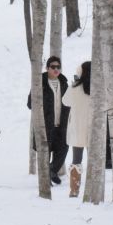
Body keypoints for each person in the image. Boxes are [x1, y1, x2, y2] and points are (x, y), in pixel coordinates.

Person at [27, 56, 69, 185]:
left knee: (64, 147)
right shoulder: (39, 83)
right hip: (45, 125)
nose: (56, 69)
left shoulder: (64, 83)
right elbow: (30, 104)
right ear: (47, 68)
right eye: (53, 67)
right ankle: (46, 180)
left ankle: (52, 170)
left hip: (61, 125)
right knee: (45, 152)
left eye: (58, 67)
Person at [62, 61, 92, 198]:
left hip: (77, 128)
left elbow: (65, 101)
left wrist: (74, 83)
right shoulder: (98, 88)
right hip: (93, 129)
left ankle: (74, 190)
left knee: (76, 159)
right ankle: (94, 189)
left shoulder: (74, 87)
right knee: (94, 160)